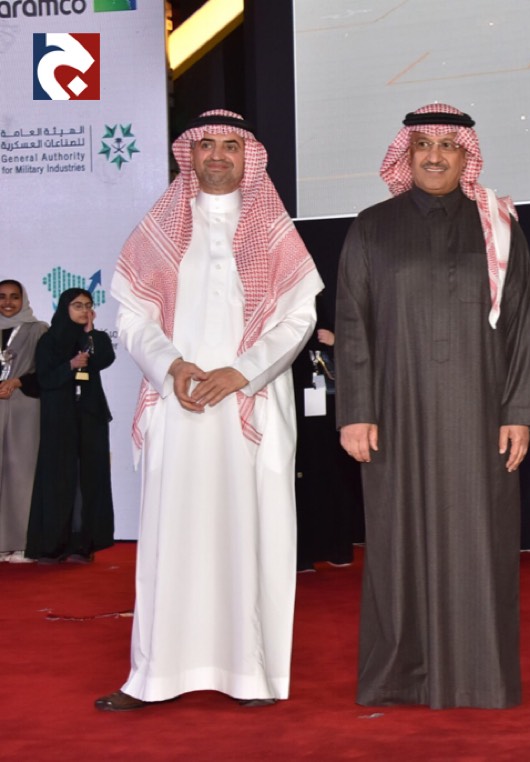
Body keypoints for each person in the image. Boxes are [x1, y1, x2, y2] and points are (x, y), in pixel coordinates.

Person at [100, 109, 323, 711]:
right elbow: (133, 318)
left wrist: (242, 371)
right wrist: (171, 365)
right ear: (189, 155)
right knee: (170, 537)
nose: (218, 155)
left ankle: (250, 674)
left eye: (230, 145)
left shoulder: (273, 231)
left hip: (250, 404)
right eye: (206, 145)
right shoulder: (160, 230)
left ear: (248, 156)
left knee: (248, 534)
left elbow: (298, 319)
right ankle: (152, 677)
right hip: (179, 403)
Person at [336, 103, 530, 709]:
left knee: (482, 538)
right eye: (422, 144)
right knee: (397, 540)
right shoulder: (371, 227)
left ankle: (480, 677)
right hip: (394, 415)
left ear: (465, 156)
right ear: (406, 153)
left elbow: (523, 324)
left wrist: (519, 411)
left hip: (481, 412)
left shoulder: (499, 227)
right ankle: (400, 677)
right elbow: (353, 324)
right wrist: (355, 411)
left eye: (448, 145)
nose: (434, 155)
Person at [25, 288, 115, 563]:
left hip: (89, 415)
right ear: (65, 308)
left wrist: (90, 333)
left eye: (88, 305)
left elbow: (104, 359)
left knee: (89, 477)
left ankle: (82, 544)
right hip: (59, 416)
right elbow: (45, 379)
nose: (84, 310)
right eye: (77, 305)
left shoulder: (95, 338)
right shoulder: (49, 340)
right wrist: (71, 365)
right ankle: (53, 544)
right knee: (58, 476)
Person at [291, 293, 363, 572]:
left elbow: (362, 350)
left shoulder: (334, 318)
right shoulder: (289, 325)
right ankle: (304, 552)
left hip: (333, 415)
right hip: (298, 415)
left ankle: (338, 546)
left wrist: (337, 342)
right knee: (301, 477)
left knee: (336, 475)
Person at [0, 280, 48, 564]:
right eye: (2, 297)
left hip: (24, 407)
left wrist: (17, 381)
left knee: (22, 474)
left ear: (23, 299)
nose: (8, 302)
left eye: (14, 297)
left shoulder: (37, 330)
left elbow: (48, 371)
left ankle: (24, 543)